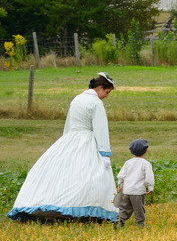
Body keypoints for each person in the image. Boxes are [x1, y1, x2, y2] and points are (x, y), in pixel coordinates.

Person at [7, 72, 119, 222]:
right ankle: (87, 209)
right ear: (100, 88)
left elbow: (69, 124)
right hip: (87, 140)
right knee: (91, 176)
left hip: (70, 138)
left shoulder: (77, 99)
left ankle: (59, 207)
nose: (106, 96)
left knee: (67, 175)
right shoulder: (96, 103)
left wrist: (65, 141)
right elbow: (101, 129)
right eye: (107, 92)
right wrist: (104, 153)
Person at [115, 139, 154, 228]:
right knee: (139, 209)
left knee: (124, 208)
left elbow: (121, 175)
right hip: (138, 192)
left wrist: (120, 185)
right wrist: (150, 187)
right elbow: (149, 177)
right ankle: (140, 224)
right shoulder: (146, 164)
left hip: (126, 191)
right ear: (146, 151)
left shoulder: (128, 163)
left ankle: (119, 221)